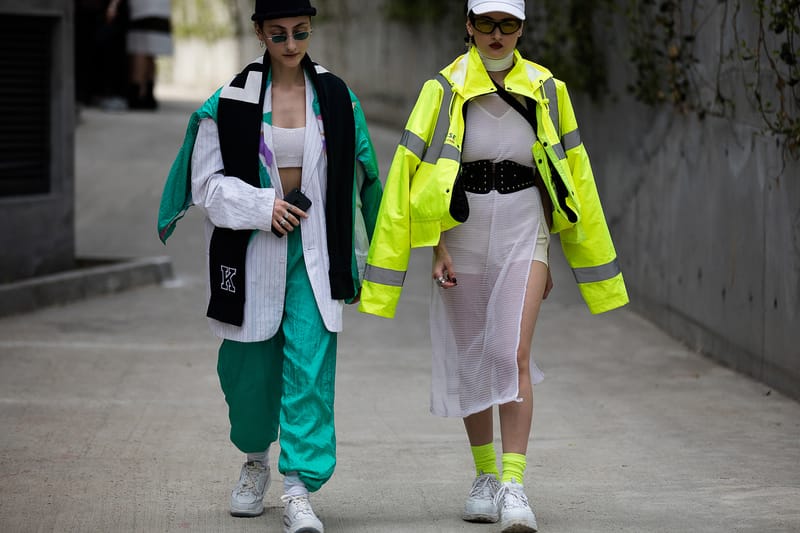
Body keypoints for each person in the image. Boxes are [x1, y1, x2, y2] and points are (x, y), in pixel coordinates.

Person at [359, 0, 629, 531]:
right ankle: (483, 476)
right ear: (468, 25)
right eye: (486, 23)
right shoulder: (442, 89)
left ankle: (513, 484)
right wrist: (435, 248)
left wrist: (557, 252)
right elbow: (409, 177)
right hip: (462, 233)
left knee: (512, 351)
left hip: (523, 229)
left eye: (508, 24)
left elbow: (573, 174)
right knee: (475, 357)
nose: (497, 34)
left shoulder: (549, 89)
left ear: (522, 28)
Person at [156, 1, 383, 531]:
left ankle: (299, 488)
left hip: (316, 251)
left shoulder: (336, 97)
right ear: (259, 32)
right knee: (248, 374)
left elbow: (368, 173)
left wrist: (379, 250)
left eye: (300, 32)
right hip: (251, 252)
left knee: (310, 367)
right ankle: (255, 459)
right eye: (278, 33)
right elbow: (206, 185)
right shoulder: (228, 102)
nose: (290, 44)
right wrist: (263, 208)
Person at [121, 0, 172, 109]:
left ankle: (137, 93)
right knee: (150, 53)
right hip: (161, 10)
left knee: (140, 50)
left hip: (143, 11)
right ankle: (148, 94)